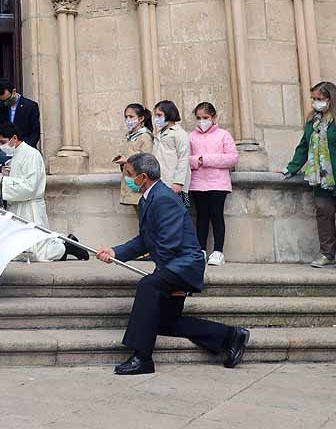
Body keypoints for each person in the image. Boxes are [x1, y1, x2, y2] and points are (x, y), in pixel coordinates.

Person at [97, 153, 249, 375]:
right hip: (174, 266)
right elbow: (144, 240)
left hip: (184, 265)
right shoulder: (147, 199)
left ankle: (142, 357)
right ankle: (230, 336)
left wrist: (166, 277)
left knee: (148, 286)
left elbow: (170, 242)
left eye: (128, 174)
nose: (126, 178)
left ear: (143, 177)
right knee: (164, 322)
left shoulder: (164, 198)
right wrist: (115, 252)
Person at [284, 82, 336, 269]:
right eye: (314, 99)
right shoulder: (313, 121)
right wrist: (291, 168)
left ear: (331, 99)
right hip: (319, 176)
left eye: (320, 99)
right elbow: (304, 146)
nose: (316, 102)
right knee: (323, 211)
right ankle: (326, 254)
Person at [0, 124, 88, 261]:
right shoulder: (16, 155)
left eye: (3, 142)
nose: (2, 146)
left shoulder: (32, 154)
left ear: (14, 138)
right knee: (20, 251)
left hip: (30, 208)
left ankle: (68, 246)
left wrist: (5, 181)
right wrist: (5, 178)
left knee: (37, 253)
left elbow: (31, 186)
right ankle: (65, 244)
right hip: (18, 207)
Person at [187, 102, 237, 266]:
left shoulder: (224, 135)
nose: (202, 121)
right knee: (201, 217)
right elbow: (185, 158)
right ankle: (200, 250)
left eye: (206, 118)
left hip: (218, 183)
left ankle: (218, 251)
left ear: (213, 117)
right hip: (197, 183)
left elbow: (232, 158)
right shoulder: (191, 136)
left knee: (216, 216)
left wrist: (205, 160)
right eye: (199, 118)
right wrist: (197, 161)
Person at [115, 103, 153, 214]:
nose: (128, 120)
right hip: (131, 181)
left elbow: (147, 161)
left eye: (131, 117)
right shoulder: (130, 136)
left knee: (146, 218)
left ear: (141, 119)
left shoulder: (145, 136)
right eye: (126, 117)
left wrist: (127, 160)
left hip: (140, 184)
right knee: (141, 217)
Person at [152, 99, 191, 208]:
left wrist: (178, 182)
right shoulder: (159, 134)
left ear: (169, 114)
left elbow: (183, 158)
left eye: (159, 115)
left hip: (174, 183)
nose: (156, 119)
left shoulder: (179, 133)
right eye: (155, 115)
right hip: (161, 181)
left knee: (176, 215)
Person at [0, 78, 40, 149]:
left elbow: (35, 133)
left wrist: (25, 148)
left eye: (8, 99)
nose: (6, 102)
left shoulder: (31, 106)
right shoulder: (0, 107)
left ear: (14, 91)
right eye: (3, 101)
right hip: (6, 151)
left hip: (26, 149)